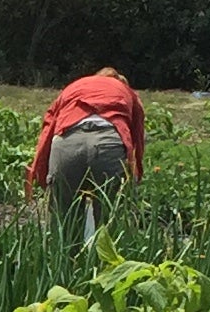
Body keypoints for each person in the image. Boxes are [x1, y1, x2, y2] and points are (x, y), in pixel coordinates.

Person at [28, 68, 146, 214]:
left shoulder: (74, 87)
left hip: (67, 141)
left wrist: (38, 171)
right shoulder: (127, 92)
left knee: (65, 225)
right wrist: (136, 175)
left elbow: (48, 128)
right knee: (109, 225)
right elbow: (137, 138)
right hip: (108, 143)